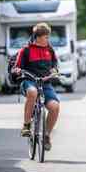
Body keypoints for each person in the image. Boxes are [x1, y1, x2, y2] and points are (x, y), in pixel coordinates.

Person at [13, 22, 60, 151]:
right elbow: (17, 66)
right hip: (29, 81)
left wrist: (54, 71)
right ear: (38, 37)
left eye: (48, 37)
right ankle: (27, 125)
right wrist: (17, 70)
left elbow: (55, 65)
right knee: (32, 92)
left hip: (45, 83)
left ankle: (46, 136)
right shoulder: (26, 50)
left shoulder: (49, 50)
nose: (48, 39)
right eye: (46, 37)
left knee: (55, 107)